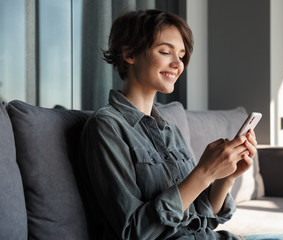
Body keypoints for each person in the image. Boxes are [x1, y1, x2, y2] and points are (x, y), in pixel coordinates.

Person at [79, 9, 257, 240]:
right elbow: (135, 231)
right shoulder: (107, 127)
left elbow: (203, 220)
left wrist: (226, 177)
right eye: (165, 52)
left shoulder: (170, 130)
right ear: (130, 53)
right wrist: (204, 173)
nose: (178, 64)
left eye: (181, 56)